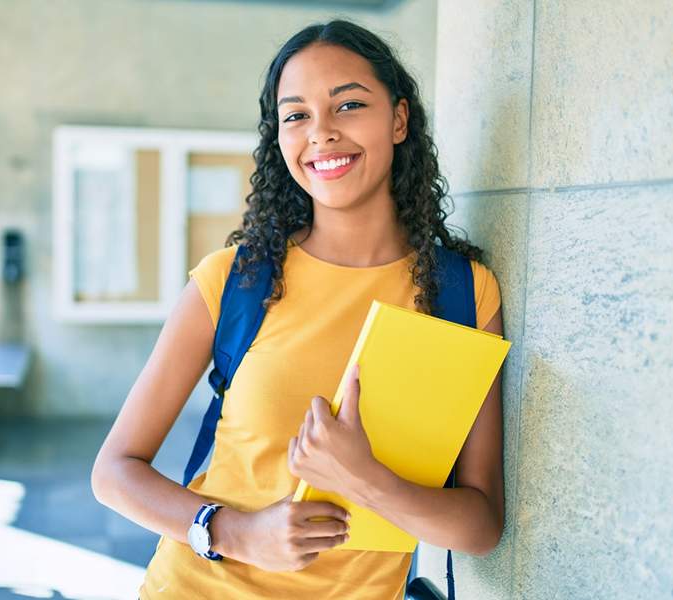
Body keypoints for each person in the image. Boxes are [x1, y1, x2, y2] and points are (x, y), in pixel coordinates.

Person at [91, 19, 505, 600]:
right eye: (296, 115)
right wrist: (235, 532)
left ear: (399, 119)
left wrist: (368, 481)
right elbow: (114, 472)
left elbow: (481, 526)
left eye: (349, 104)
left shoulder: (464, 293)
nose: (322, 134)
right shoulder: (233, 280)